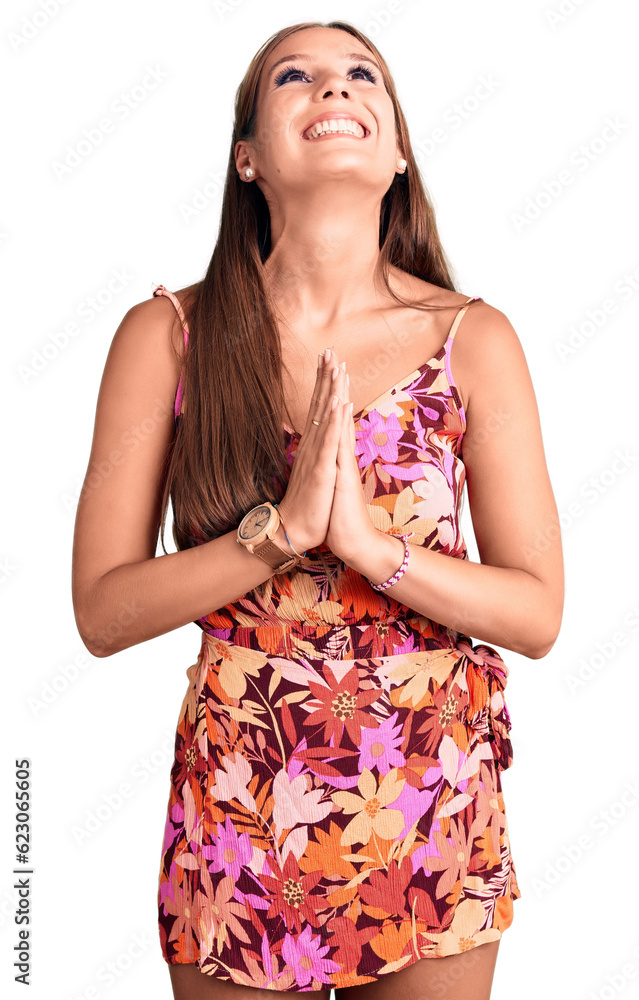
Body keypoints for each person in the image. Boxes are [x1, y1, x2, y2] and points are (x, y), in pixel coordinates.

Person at [71, 19, 564, 1000]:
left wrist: (368, 547)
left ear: (398, 150)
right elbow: (101, 609)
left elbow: (537, 612)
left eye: (361, 75)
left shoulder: (475, 339)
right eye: (295, 76)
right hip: (241, 806)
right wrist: (279, 536)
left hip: (432, 804)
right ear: (247, 157)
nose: (334, 89)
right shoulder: (166, 337)